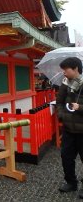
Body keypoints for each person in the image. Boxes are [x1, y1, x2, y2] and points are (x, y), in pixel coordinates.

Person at [56, 57, 83, 198]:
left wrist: (80, 107)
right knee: (66, 157)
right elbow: (59, 102)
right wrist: (62, 115)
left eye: (66, 70)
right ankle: (71, 183)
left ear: (76, 69)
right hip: (68, 129)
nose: (64, 73)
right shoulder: (65, 84)